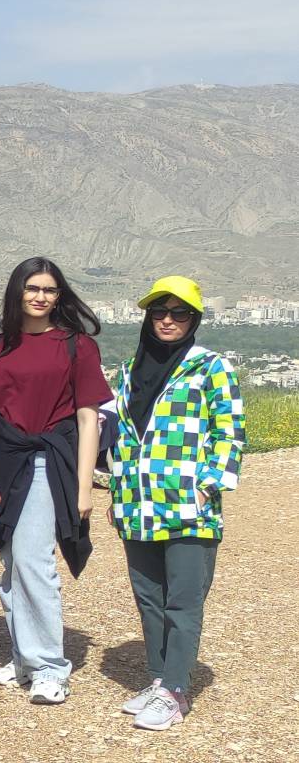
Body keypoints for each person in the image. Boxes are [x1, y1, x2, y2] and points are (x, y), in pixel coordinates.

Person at [0, 257, 111, 706]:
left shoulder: (77, 346)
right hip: (0, 462)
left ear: (59, 295)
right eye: (32, 288)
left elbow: (88, 420)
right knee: (11, 563)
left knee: (33, 561)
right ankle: (24, 657)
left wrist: (83, 487)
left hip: (48, 461)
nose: (40, 296)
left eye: (49, 289)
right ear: (17, 292)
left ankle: (49, 667)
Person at [104, 276, 245, 730]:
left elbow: (230, 432)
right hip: (138, 505)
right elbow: (122, 439)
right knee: (150, 599)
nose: (167, 320)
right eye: (159, 312)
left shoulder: (211, 367)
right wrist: (118, 491)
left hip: (189, 508)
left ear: (194, 318)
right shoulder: (129, 370)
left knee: (183, 600)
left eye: (179, 312)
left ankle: (176, 690)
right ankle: (159, 678)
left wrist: (208, 486)